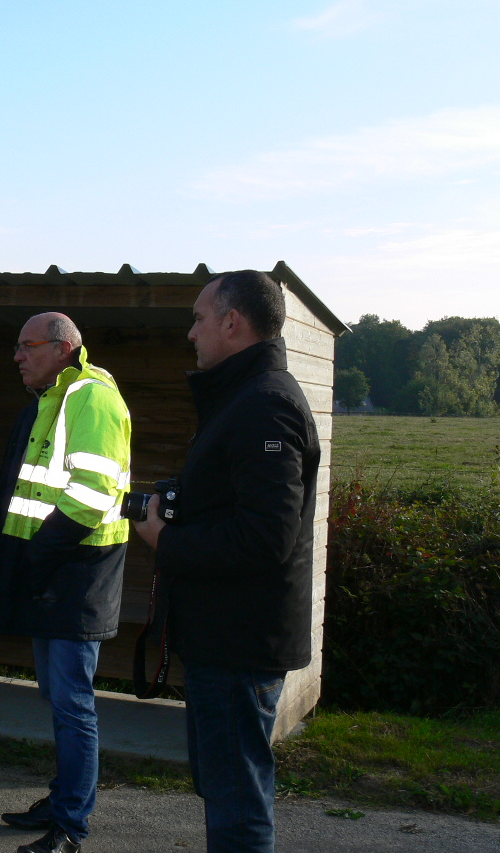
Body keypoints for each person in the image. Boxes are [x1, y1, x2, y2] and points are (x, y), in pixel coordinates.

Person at [132, 271, 320, 853]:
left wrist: (165, 540)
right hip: (229, 636)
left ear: (232, 322)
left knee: (237, 802)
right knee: (229, 789)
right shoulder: (246, 397)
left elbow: (266, 536)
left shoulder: (264, 404)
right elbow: (238, 506)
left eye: (198, 318)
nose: (191, 332)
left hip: (240, 643)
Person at [0, 313, 133, 853]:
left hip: (76, 572)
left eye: (27, 346)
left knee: (73, 702)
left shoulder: (91, 397)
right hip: (54, 570)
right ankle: (63, 800)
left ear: (65, 347)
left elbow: (91, 498)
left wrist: (36, 558)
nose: (18, 357)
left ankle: (71, 825)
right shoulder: (56, 399)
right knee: (57, 695)